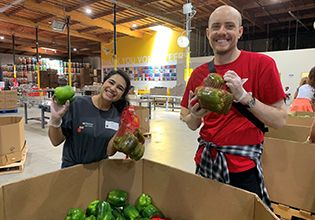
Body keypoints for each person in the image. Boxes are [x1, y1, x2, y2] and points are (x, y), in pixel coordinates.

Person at [180, 5, 287, 208]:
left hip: (244, 168)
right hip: (206, 161)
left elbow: (280, 120)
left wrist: (244, 97)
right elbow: (190, 122)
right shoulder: (199, 74)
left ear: (240, 31)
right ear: (208, 33)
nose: (222, 32)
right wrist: (194, 115)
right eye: (216, 26)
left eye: (229, 26)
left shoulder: (262, 64)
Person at [48, 69, 131, 168]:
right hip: (71, 169)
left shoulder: (117, 116)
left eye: (120, 88)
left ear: (122, 96)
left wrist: (123, 127)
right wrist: (55, 120)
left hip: (99, 170)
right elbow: (55, 141)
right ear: (103, 83)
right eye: (111, 82)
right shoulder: (77, 104)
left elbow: (109, 152)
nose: (113, 88)